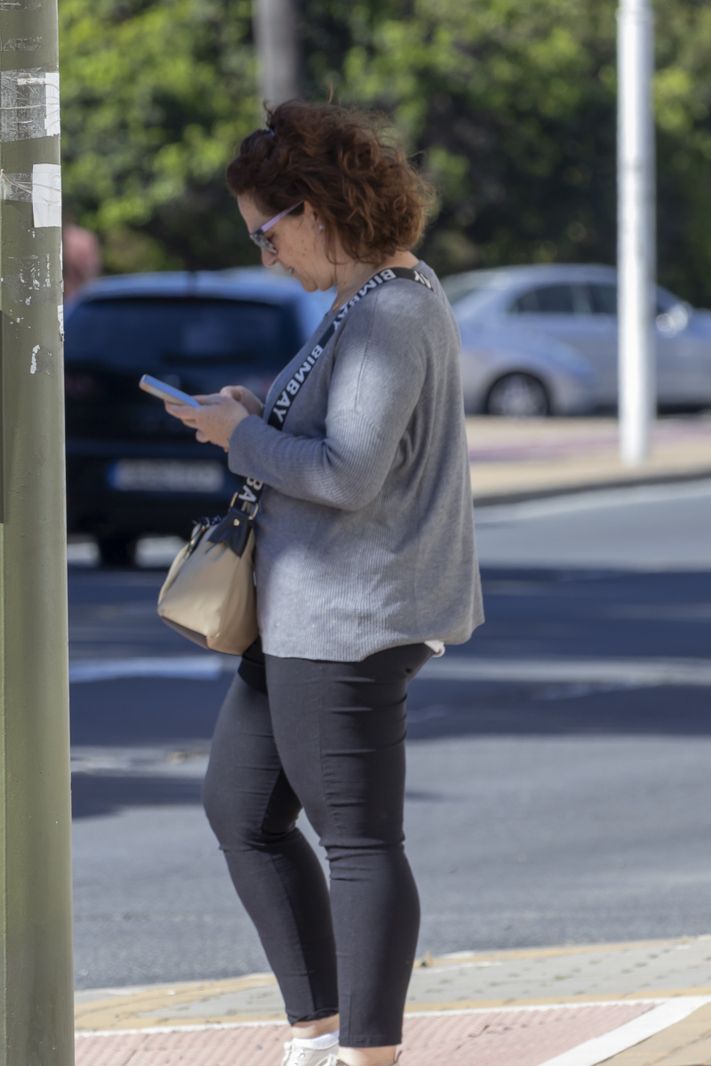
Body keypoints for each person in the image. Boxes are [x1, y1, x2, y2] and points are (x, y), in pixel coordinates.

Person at [163, 100, 484, 1066]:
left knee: (357, 838)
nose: (267, 257)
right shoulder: (365, 302)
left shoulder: (392, 312)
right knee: (243, 809)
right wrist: (256, 414)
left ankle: (366, 1054)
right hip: (307, 609)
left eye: (267, 234)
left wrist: (238, 439)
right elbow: (341, 441)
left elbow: (350, 473)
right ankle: (317, 1028)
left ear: (316, 209)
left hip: (350, 613)